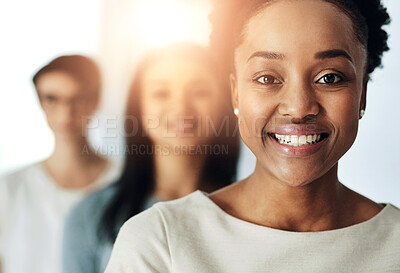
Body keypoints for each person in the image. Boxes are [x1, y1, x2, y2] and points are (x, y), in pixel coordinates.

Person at [105, 0, 400, 272]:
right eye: (267, 78)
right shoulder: (159, 243)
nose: (298, 108)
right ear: (235, 94)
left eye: (329, 78)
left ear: (362, 94)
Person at [62, 43, 239, 273]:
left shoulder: (250, 214)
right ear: (139, 106)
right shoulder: (91, 215)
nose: (180, 107)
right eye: (161, 93)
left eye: (200, 92)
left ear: (225, 102)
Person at [0, 55, 121, 273]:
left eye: (78, 99)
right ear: (40, 102)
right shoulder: (8, 189)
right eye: (52, 98)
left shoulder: (125, 183)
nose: (66, 112)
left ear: (96, 100)